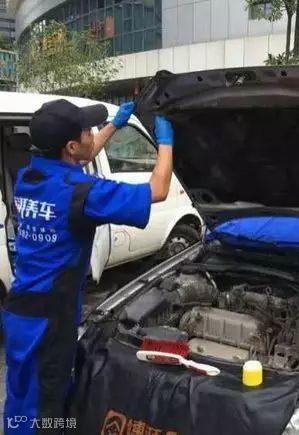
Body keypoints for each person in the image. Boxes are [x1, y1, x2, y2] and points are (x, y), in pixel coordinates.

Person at [2, 99, 175, 434]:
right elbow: (159, 189)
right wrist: (166, 141)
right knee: (47, 406)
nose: (92, 134)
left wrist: (115, 125)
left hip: (20, 310)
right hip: (50, 320)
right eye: (87, 130)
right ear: (70, 146)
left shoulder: (29, 176)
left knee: (22, 392)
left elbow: (82, 155)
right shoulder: (83, 194)